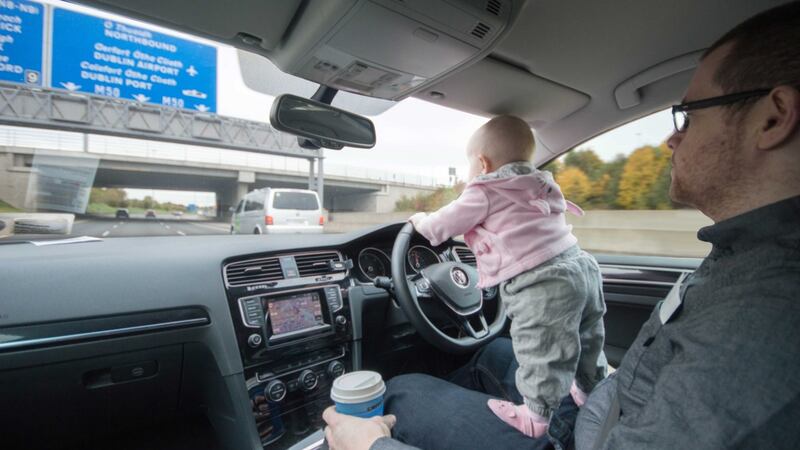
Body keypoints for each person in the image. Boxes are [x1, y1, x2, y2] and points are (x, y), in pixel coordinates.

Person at [323, 2, 800, 449]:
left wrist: (374, 444)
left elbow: (439, 228)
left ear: (774, 117)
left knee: (400, 392)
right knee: (497, 353)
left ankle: (534, 415)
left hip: (590, 436)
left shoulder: (767, 315)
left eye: (689, 115)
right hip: (603, 382)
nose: (672, 138)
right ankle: (568, 393)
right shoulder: (747, 258)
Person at [406, 114, 607, 439]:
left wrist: (420, 221)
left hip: (542, 282)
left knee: (541, 347)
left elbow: (441, 226)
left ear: (482, 163)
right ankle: (589, 388)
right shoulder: (540, 183)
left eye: (469, 164)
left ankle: (536, 416)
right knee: (587, 336)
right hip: (581, 265)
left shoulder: (485, 189)